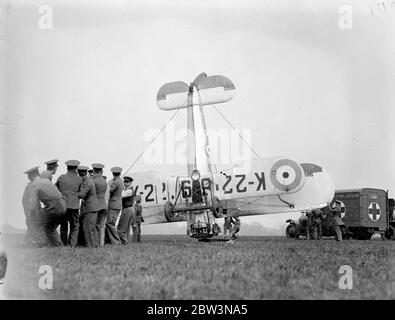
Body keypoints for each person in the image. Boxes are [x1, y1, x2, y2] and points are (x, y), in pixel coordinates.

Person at [32, 171, 67, 246]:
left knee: (40, 223)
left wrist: (34, 212)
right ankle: (55, 245)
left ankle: (44, 244)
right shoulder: (47, 182)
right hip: (63, 205)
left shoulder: (35, 184)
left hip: (54, 206)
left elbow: (34, 201)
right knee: (50, 227)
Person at [56, 160, 82, 247]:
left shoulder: (61, 177)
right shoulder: (79, 179)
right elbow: (81, 192)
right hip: (74, 206)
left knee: (63, 225)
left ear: (67, 168)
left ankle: (63, 243)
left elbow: (55, 189)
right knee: (74, 225)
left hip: (63, 205)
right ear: (76, 169)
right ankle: (72, 244)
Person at [77, 166, 99, 247]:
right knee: (92, 227)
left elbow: (82, 194)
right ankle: (95, 244)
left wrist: (71, 193)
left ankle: (90, 245)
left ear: (79, 173)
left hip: (90, 207)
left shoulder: (86, 181)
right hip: (92, 206)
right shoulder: (89, 180)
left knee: (87, 228)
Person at [21, 166, 43, 246]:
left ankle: (25, 242)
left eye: (28, 175)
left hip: (32, 208)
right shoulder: (33, 185)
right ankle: (35, 242)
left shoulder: (31, 185)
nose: (28, 177)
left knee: (32, 224)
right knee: (33, 224)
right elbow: (30, 200)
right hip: (33, 209)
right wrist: (31, 211)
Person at [105, 167, 123, 245]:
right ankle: (110, 240)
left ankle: (116, 241)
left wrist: (109, 184)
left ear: (113, 174)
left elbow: (109, 190)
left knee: (110, 223)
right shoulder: (121, 181)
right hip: (117, 204)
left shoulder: (115, 182)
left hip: (114, 205)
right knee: (110, 223)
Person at [91, 163, 108, 247]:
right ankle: (101, 243)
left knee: (94, 226)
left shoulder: (93, 181)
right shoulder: (104, 181)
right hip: (103, 205)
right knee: (101, 226)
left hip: (96, 205)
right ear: (101, 171)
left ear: (94, 171)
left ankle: (95, 243)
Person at [117, 174, 135, 244]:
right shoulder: (128, 190)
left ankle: (124, 242)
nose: (125, 183)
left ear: (130, 182)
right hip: (130, 209)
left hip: (127, 209)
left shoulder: (129, 191)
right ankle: (126, 241)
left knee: (121, 227)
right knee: (127, 228)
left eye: (127, 182)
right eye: (124, 182)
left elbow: (120, 195)